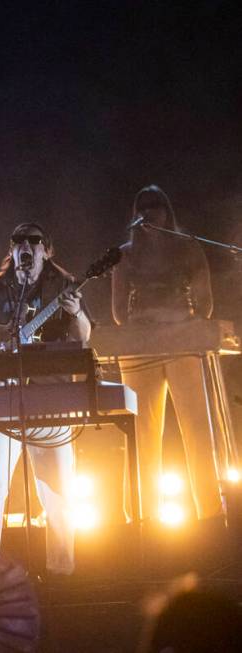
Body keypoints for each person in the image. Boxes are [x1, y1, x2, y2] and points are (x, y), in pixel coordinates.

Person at [0, 222, 91, 576]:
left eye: (34, 240)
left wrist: (74, 313)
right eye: (18, 241)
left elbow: (83, 338)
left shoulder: (64, 287)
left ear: (47, 249)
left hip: (50, 396)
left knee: (57, 483)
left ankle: (62, 571)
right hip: (3, 396)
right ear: (11, 251)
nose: (26, 246)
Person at [110, 185, 221, 522]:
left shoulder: (188, 248)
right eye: (143, 207)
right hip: (142, 344)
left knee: (197, 426)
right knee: (142, 430)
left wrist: (188, 324)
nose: (150, 213)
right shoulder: (124, 254)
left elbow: (206, 303)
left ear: (167, 212)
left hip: (181, 340)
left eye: (156, 206)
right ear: (135, 214)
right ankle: (142, 517)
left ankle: (212, 515)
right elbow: (117, 311)